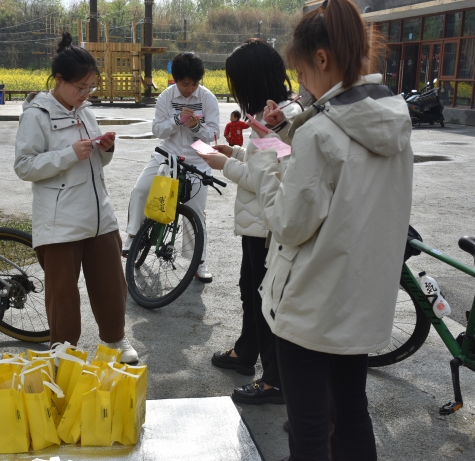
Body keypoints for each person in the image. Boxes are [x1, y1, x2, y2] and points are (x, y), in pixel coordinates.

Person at [198, 0, 414, 458]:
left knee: (310, 427)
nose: (301, 86)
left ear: (322, 59)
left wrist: (263, 163)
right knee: (352, 414)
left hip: (312, 307)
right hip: (359, 300)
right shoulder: (393, 119)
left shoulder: (320, 133)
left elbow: (289, 225)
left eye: (302, 74)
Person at [14, 32, 138, 364]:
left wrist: (105, 150)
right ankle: (64, 354)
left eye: (90, 88)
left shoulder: (85, 112)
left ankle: (115, 341)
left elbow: (95, 162)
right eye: (79, 87)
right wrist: (69, 154)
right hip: (60, 221)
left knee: (112, 284)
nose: (85, 94)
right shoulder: (36, 115)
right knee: (63, 296)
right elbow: (24, 166)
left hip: (99, 215)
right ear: (59, 80)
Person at [206, 39, 300, 405]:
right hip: (257, 222)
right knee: (250, 291)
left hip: (267, 225)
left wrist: (225, 165)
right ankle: (246, 354)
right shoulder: (270, 112)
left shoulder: (278, 116)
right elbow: (270, 161)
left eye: (237, 81)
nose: (235, 89)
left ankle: (273, 380)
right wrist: (238, 152)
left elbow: (268, 178)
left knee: (264, 300)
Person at [123, 52, 219, 282]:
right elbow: (157, 130)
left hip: (198, 158)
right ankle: (133, 235)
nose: (189, 88)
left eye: (194, 83)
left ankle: (199, 262)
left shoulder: (207, 98)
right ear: (175, 79)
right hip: (168, 154)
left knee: (196, 213)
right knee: (141, 190)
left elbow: (214, 135)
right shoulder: (166, 97)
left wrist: (196, 127)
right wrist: (177, 121)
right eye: (185, 83)